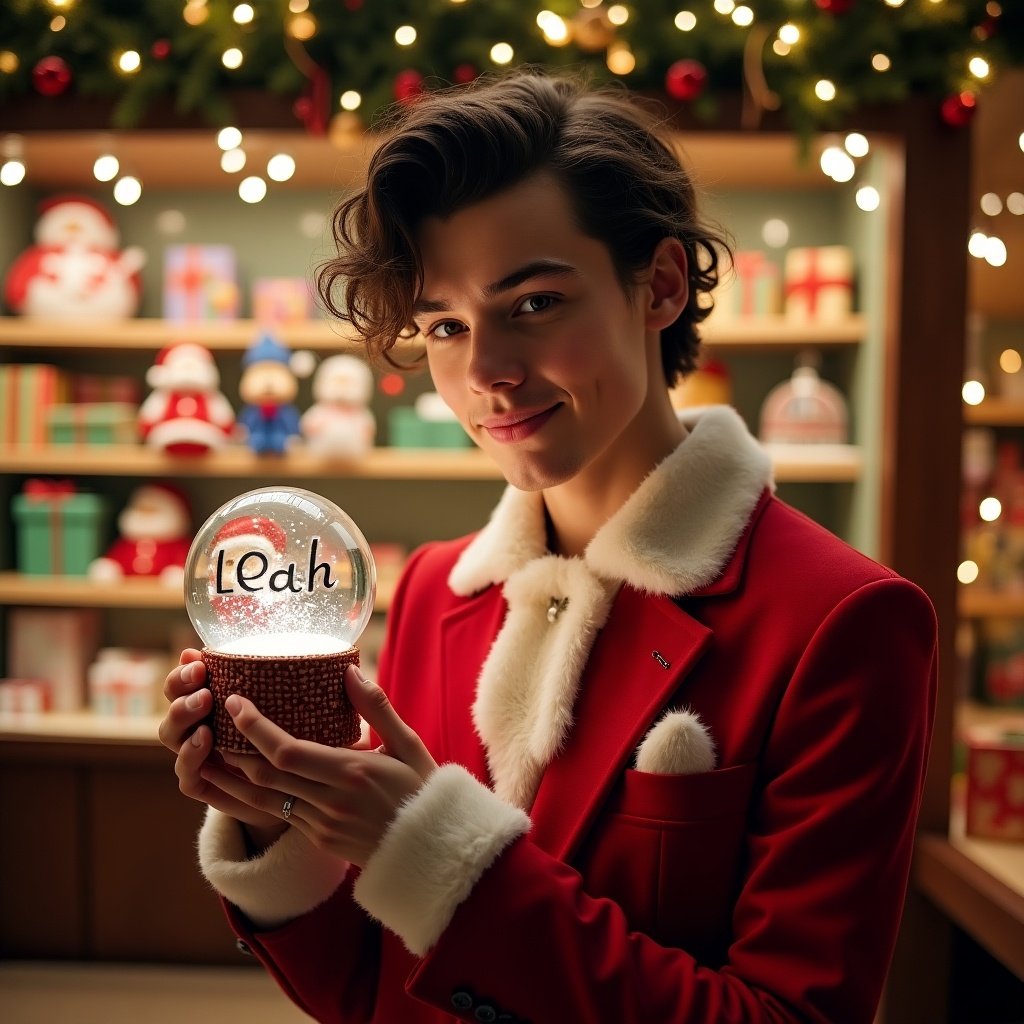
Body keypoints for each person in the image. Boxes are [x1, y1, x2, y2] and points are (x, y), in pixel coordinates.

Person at [159, 72, 937, 1024]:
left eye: (531, 304)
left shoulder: (840, 620)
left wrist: (434, 858)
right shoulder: (441, 589)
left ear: (658, 286)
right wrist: (272, 817)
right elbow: (373, 994)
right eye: (445, 325)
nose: (485, 372)